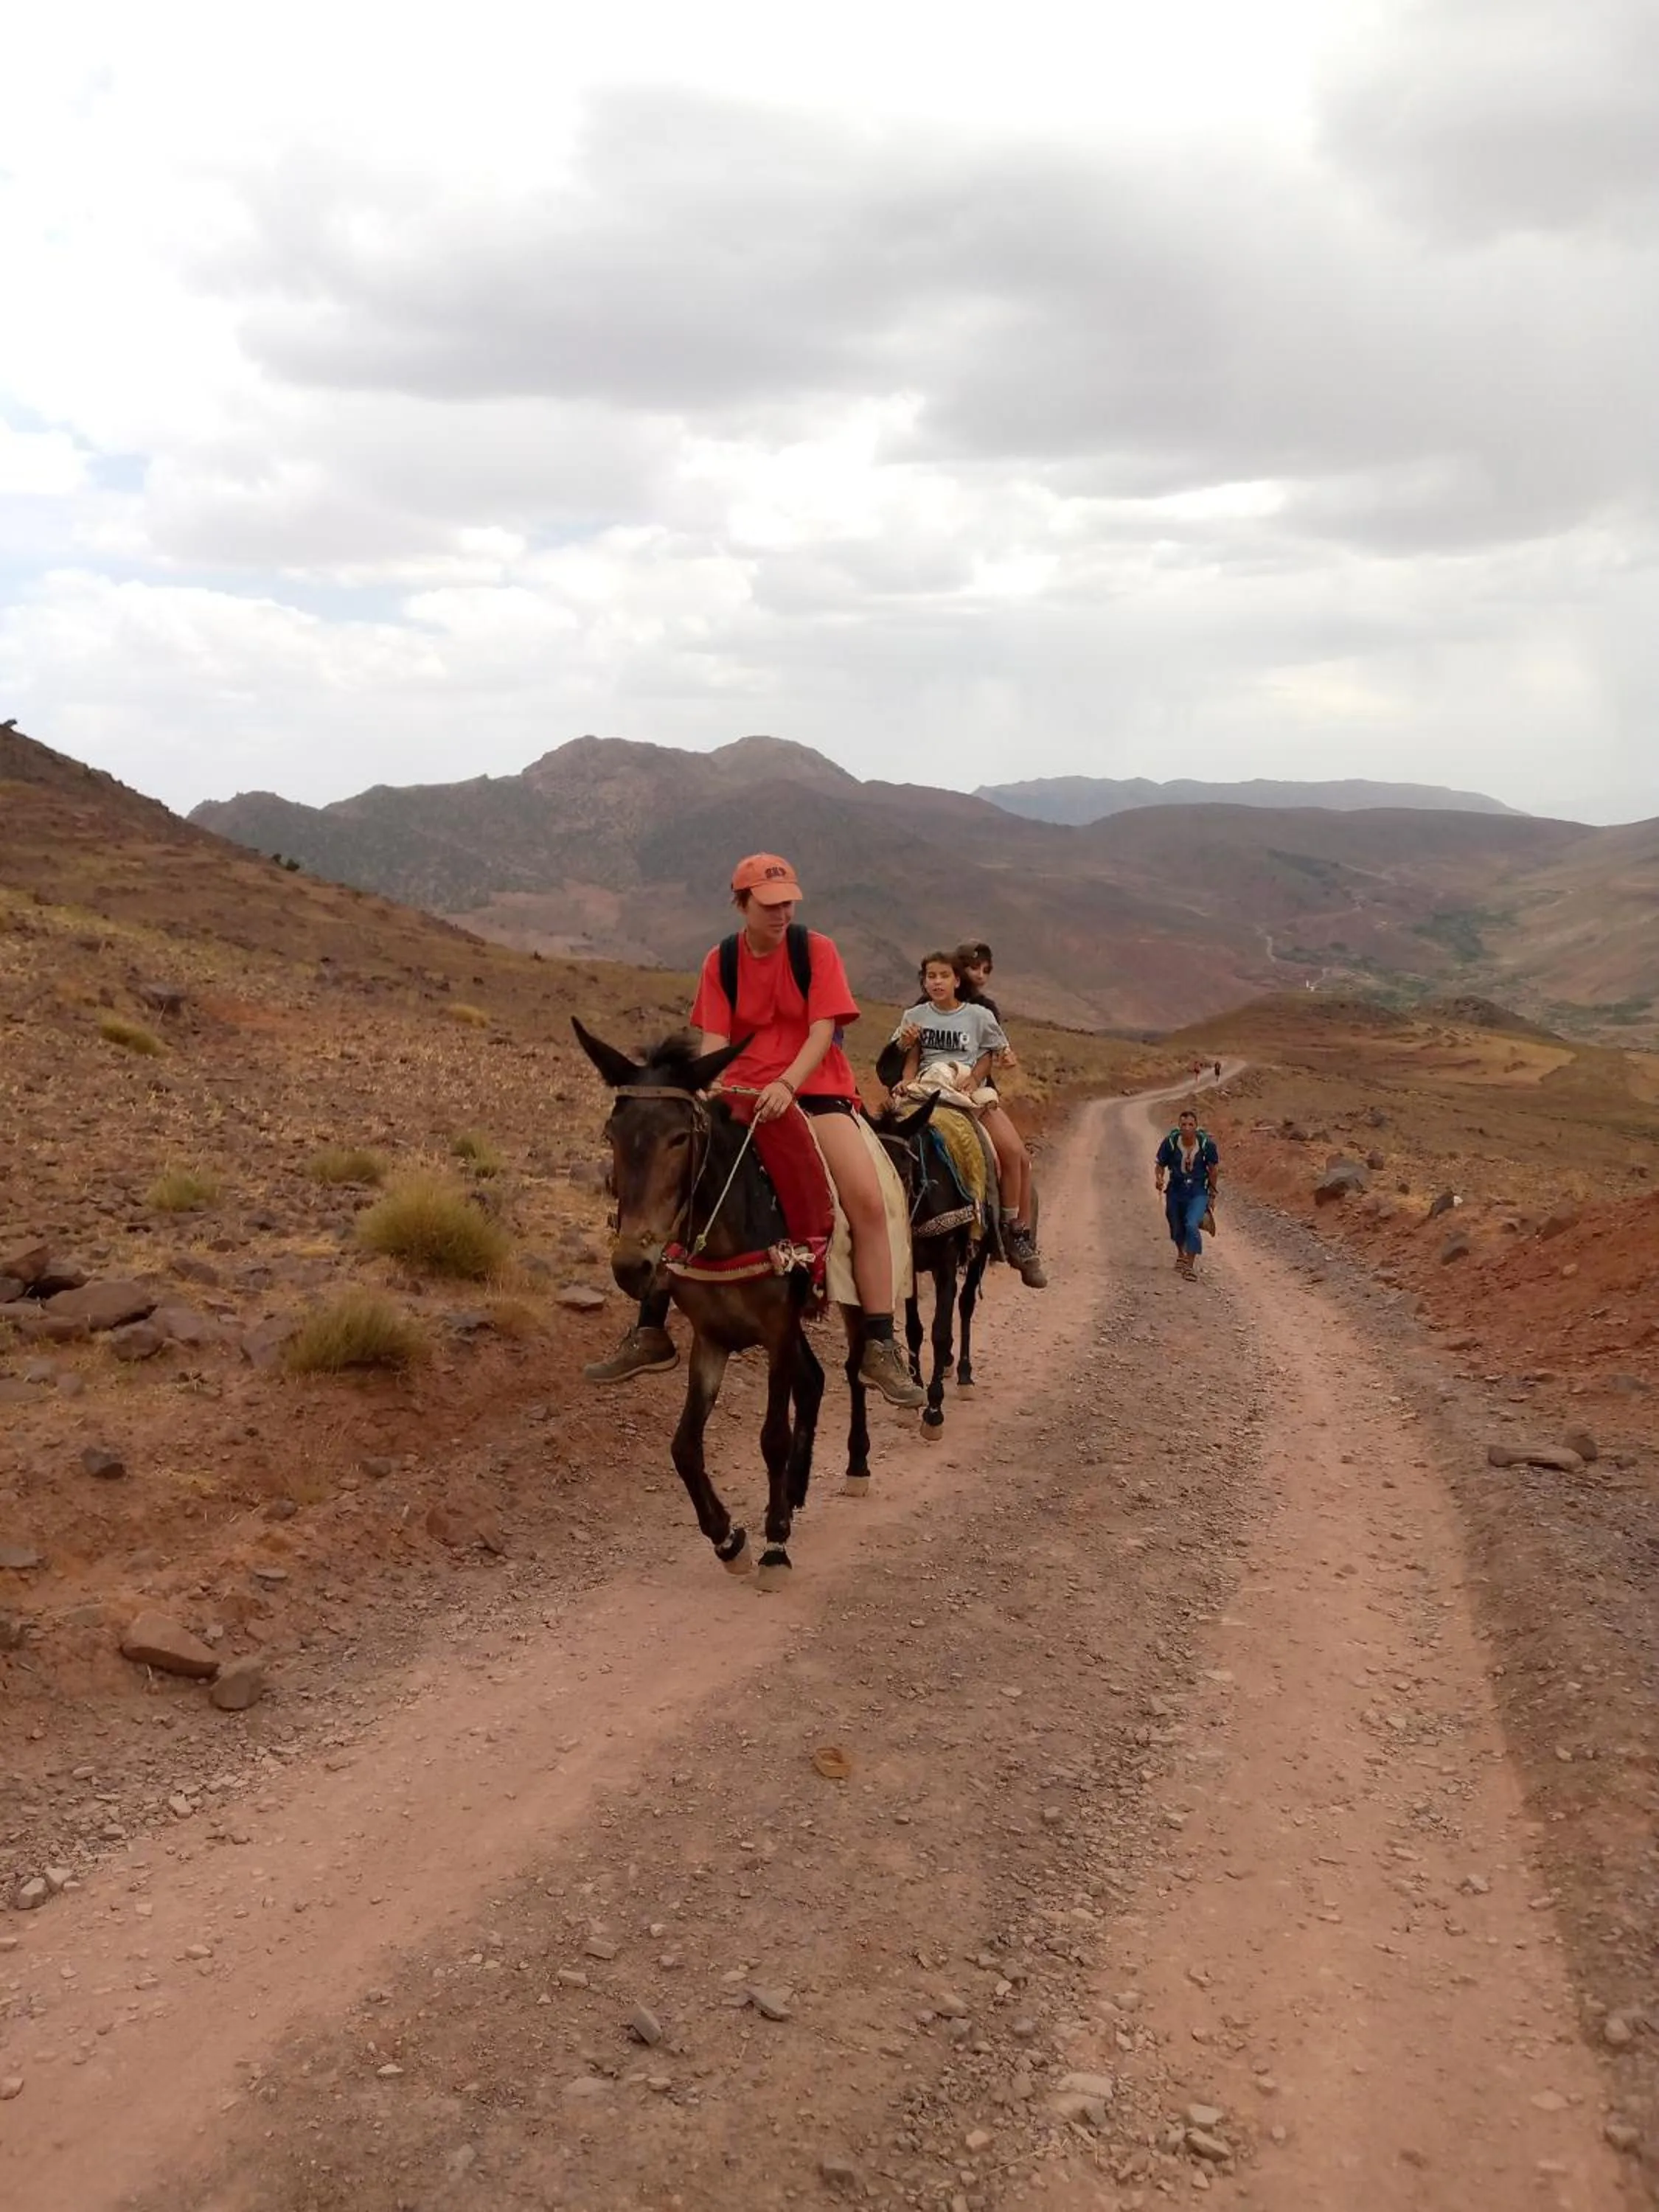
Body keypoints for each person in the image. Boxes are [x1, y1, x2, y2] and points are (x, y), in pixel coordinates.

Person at [584, 853, 925, 1408]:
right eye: (769, 904)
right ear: (741, 903)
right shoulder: (720, 961)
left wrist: (789, 1085)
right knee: (683, 1182)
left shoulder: (816, 952)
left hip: (815, 1092)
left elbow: (822, 1031)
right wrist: (718, 1089)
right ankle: (650, 1328)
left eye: (788, 900)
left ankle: (880, 1343)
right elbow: (716, 1040)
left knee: (868, 1199)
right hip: (740, 1093)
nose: (782, 911)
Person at [950, 941, 1046, 1287]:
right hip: (932, 1088)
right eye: (974, 967)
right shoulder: (927, 1005)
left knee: (1016, 1155)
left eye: (986, 969)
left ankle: (1016, 1233)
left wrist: (976, 1078)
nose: (979, 975)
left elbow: (993, 1052)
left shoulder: (985, 1009)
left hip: (975, 1093)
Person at [1155, 1105, 1220, 1281]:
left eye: (1191, 1124)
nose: (1187, 1128)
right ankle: (1181, 1254)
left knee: (1191, 1224)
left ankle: (1190, 1266)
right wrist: (1159, 1179)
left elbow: (1213, 1170)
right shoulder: (1170, 1143)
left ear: (1196, 1126)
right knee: (1176, 1223)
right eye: (1183, 1125)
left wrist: (1212, 1194)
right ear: (1179, 1126)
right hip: (1175, 1189)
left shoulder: (1206, 1145)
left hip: (1198, 1191)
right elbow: (1160, 1165)